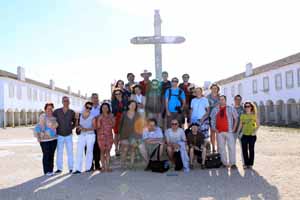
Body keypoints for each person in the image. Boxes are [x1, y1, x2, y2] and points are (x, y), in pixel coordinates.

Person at [210, 95, 238, 169]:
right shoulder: (215, 109)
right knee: (221, 148)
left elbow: (236, 118)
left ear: (225, 100)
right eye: (220, 99)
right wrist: (214, 129)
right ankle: (224, 163)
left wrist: (234, 128)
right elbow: (212, 120)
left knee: (231, 147)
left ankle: (233, 163)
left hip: (229, 131)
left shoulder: (231, 108)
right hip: (219, 132)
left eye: (223, 99)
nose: (221, 101)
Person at [34, 103, 58, 176]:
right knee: (46, 155)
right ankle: (46, 171)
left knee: (51, 155)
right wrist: (39, 136)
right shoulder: (43, 116)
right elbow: (39, 127)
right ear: (45, 109)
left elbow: (56, 126)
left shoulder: (54, 117)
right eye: (48, 108)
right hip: (45, 140)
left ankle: (51, 170)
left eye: (51, 108)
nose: (50, 110)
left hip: (53, 139)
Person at [53, 96, 76, 174]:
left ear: (69, 102)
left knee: (70, 152)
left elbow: (75, 122)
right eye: (64, 101)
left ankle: (71, 168)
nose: (66, 102)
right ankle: (59, 168)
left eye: (67, 101)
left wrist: (71, 128)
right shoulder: (56, 111)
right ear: (62, 102)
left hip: (68, 135)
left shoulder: (72, 112)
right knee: (59, 152)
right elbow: (52, 120)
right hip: (59, 135)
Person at [119, 100, 144, 169]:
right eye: (131, 104)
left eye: (134, 105)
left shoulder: (138, 114)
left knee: (132, 149)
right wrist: (119, 135)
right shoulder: (124, 113)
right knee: (124, 149)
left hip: (134, 135)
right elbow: (120, 125)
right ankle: (122, 164)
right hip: (124, 135)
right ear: (128, 106)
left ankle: (131, 164)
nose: (133, 106)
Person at [73, 102, 96, 174]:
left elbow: (94, 127)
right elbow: (77, 125)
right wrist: (77, 119)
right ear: (84, 106)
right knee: (79, 151)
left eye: (90, 108)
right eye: (87, 107)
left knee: (89, 151)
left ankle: (88, 168)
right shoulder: (79, 114)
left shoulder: (92, 116)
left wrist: (86, 129)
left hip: (90, 135)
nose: (88, 109)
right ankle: (77, 169)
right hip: (82, 135)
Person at [238, 101, 260, 169]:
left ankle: (250, 164)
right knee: (244, 150)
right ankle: (245, 164)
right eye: (246, 106)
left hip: (252, 135)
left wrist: (255, 132)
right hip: (244, 135)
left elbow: (258, 125)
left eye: (248, 106)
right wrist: (239, 133)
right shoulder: (242, 115)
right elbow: (240, 125)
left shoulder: (254, 115)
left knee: (251, 149)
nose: (247, 108)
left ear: (251, 107)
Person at [96, 103, 115, 172]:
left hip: (109, 135)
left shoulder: (111, 116)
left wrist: (111, 120)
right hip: (101, 136)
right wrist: (99, 120)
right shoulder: (99, 116)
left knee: (108, 151)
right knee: (102, 151)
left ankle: (108, 167)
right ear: (101, 108)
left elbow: (113, 125)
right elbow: (97, 127)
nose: (105, 109)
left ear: (108, 108)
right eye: (103, 107)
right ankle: (103, 167)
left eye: (106, 107)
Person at [111, 89, 128, 156]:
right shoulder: (113, 102)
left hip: (124, 119)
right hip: (116, 119)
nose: (118, 95)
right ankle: (116, 148)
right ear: (114, 95)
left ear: (122, 94)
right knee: (116, 134)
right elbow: (115, 111)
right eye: (116, 94)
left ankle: (121, 148)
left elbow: (126, 110)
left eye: (119, 93)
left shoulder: (125, 101)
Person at [207, 83, 220, 153]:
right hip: (211, 117)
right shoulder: (208, 97)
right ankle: (213, 147)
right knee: (212, 132)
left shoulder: (220, 96)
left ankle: (219, 147)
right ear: (211, 89)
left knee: (219, 133)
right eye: (213, 88)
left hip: (219, 117)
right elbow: (206, 107)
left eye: (216, 88)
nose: (214, 90)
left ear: (218, 89)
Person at [89, 93, 101, 171]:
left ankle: (97, 164)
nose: (95, 99)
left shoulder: (101, 107)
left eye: (96, 98)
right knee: (89, 148)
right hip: (90, 130)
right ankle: (90, 165)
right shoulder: (87, 107)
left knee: (98, 147)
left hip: (98, 129)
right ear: (91, 99)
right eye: (93, 98)